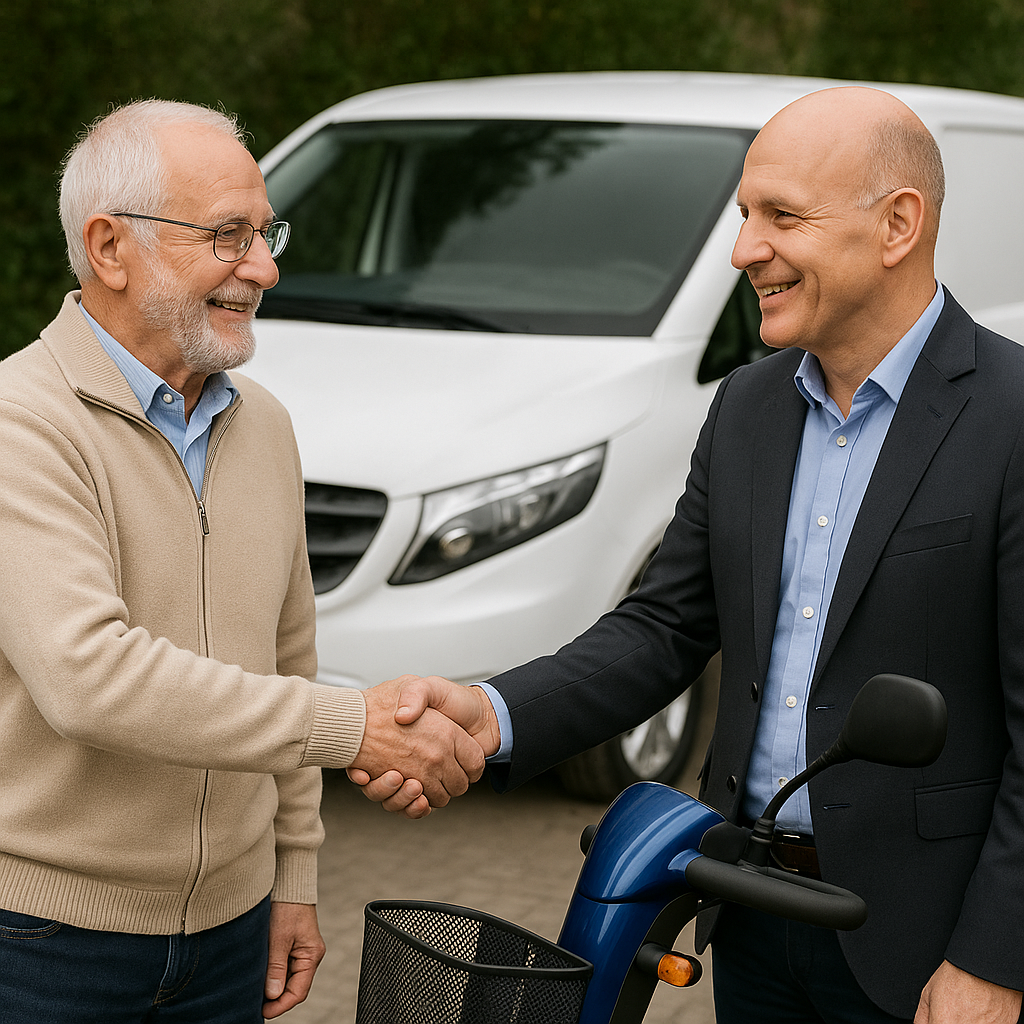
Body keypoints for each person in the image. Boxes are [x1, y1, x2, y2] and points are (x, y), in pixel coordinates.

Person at [351, 86, 1024, 1024]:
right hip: (746, 916)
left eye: (781, 216)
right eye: (745, 215)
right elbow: (663, 627)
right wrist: (491, 716)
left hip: (931, 946)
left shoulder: (1011, 416)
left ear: (897, 225)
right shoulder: (747, 406)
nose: (745, 249)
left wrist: (994, 960)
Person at [0, 99, 486, 1023]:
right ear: (110, 248)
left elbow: (286, 658)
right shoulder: (19, 424)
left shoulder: (263, 425)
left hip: (233, 934)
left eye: (266, 234)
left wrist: (291, 874)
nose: (263, 267)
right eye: (228, 236)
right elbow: (89, 679)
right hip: (41, 946)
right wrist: (358, 729)